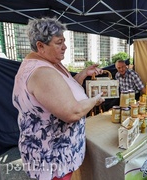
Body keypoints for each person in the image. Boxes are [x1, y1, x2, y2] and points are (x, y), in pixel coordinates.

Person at [12, 17, 105, 180]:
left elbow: (62, 94)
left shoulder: (51, 62)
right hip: (51, 159)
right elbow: (72, 112)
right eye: (59, 42)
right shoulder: (42, 73)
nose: (65, 47)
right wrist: (95, 100)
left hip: (57, 154)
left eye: (64, 41)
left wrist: (83, 74)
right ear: (40, 46)